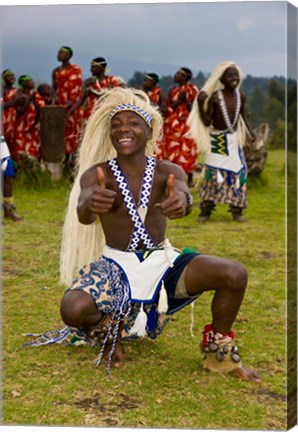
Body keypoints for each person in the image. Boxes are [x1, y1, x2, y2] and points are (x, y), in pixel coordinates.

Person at [26, 87, 260, 383]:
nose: (124, 129)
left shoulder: (167, 171)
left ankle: (220, 352)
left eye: (133, 123)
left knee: (234, 273)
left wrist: (182, 202)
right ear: (110, 133)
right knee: (72, 308)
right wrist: (90, 203)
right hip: (115, 267)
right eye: (117, 124)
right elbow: (84, 214)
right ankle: (110, 332)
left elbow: (183, 193)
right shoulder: (97, 175)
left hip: (163, 264)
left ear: (149, 131)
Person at [188, 61, 256, 222]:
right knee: (213, 175)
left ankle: (237, 210)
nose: (234, 78)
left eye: (236, 75)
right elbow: (206, 122)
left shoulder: (241, 96)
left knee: (239, 174)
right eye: (230, 75)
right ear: (221, 80)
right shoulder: (215, 98)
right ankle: (206, 210)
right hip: (218, 140)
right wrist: (199, 103)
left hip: (233, 140)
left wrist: (250, 132)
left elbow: (242, 116)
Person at [164, 67, 199, 187]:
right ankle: (174, 176)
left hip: (188, 124)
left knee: (188, 149)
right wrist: (179, 102)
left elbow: (195, 109)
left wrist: (186, 101)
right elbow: (169, 108)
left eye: (178, 74)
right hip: (174, 124)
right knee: (173, 149)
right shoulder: (172, 90)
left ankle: (189, 177)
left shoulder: (192, 89)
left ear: (184, 77)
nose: (175, 75)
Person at [52, 46, 83, 171]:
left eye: (62, 53)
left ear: (69, 56)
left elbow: (76, 88)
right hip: (60, 106)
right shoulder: (56, 71)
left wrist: (70, 107)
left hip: (73, 108)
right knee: (62, 136)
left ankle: (73, 164)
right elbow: (54, 88)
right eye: (58, 52)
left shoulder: (75, 69)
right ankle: (64, 164)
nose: (59, 55)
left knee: (74, 136)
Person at [67, 57, 119, 122]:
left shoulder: (111, 81)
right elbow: (80, 101)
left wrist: (94, 92)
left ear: (100, 68)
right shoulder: (88, 82)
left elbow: (113, 98)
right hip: (89, 116)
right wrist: (70, 112)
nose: (91, 69)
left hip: (104, 115)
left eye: (93, 67)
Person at [143, 72, 168, 160]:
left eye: (146, 81)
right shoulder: (143, 94)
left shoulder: (160, 94)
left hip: (155, 127)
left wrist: (151, 104)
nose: (144, 83)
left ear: (153, 82)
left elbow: (165, 112)